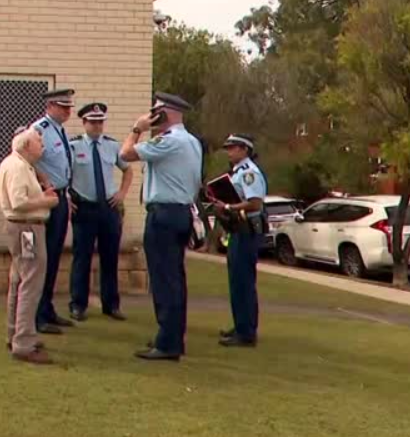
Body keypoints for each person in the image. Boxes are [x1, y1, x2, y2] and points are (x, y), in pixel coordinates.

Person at [119, 93, 203, 361]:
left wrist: (137, 128)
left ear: (164, 114)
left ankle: (167, 344)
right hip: (180, 213)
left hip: (164, 214)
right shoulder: (192, 142)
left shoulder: (170, 141)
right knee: (175, 278)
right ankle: (171, 336)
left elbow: (125, 154)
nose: (151, 118)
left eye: (155, 113)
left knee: (164, 280)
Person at [0, 128, 60, 365]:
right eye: (38, 141)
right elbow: (19, 201)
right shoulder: (19, 167)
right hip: (26, 229)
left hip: (21, 228)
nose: (42, 145)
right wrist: (47, 201)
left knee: (19, 280)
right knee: (31, 282)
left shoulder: (17, 164)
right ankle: (23, 342)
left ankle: (15, 333)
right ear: (26, 146)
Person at [67, 102, 133, 322]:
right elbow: (62, 173)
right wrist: (67, 197)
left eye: (100, 122)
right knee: (81, 258)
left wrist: (122, 193)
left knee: (110, 258)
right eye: (93, 122)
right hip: (84, 207)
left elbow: (128, 170)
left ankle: (111, 304)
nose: (97, 126)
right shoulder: (73, 146)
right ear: (84, 123)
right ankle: (78, 304)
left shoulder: (112, 146)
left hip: (108, 208)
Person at [211, 133, 268, 348]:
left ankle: (246, 332)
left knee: (243, 281)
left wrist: (227, 207)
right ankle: (241, 325)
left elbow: (255, 203)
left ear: (245, 149)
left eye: (233, 148)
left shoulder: (249, 173)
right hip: (236, 229)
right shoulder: (236, 172)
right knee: (236, 281)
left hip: (247, 229)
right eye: (228, 148)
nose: (229, 151)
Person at [31, 88, 77, 335]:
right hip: (48, 198)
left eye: (69, 106)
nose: (68, 111)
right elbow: (31, 159)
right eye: (63, 106)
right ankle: (38, 315)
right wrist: (45, 182)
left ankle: (47, 308)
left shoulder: (59, 130)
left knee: (54, 256)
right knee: (43, 258)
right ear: (49, 106)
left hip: (61, 197)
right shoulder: (39, 129)